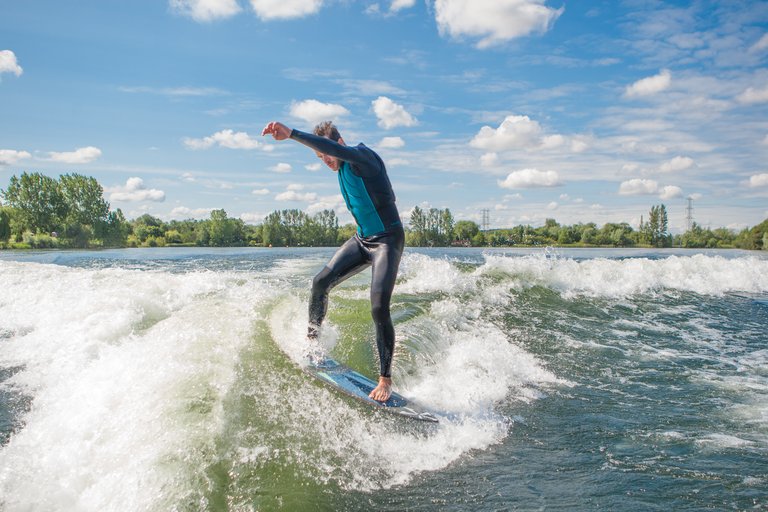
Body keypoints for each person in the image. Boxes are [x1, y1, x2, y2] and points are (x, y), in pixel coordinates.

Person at [261, 120, 404, 402]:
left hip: (387, 240)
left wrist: (292, 134)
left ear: (339, 144)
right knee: (320, 283)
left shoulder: (362, 157)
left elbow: (336, 151)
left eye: (327, 154)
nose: (326, 161)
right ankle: (312, 343)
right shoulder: (341, 166)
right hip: (362, 239)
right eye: (320, 158)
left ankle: (385, 379)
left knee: (378, 307)